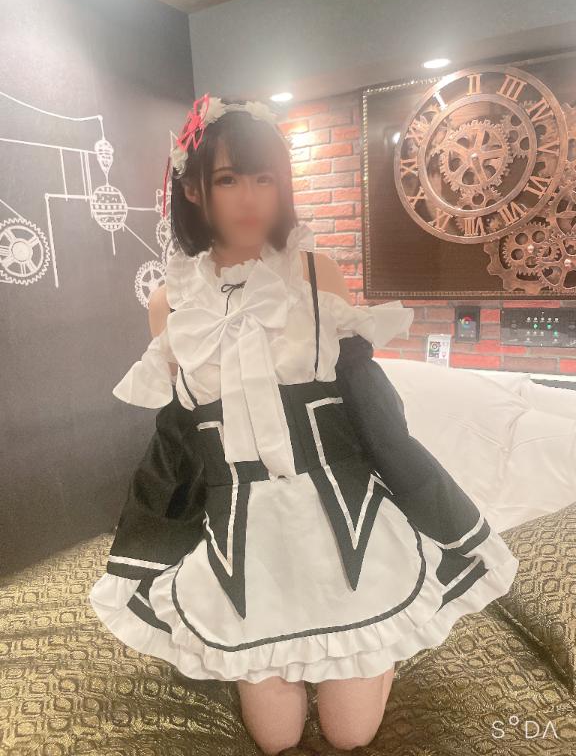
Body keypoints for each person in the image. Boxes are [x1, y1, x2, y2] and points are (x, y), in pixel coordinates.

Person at [89, 94, 520, 755]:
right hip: (244, 539)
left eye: (264, 177)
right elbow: (179, 440)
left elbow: (373, 413)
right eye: (228, 178)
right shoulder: (169, 302)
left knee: (349, 735)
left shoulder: (317, 274)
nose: (249, 196)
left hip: (343, 522)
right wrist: (146, 546)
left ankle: (381, 645)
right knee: (275, 740)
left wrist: (440, 513)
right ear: (194, 188)